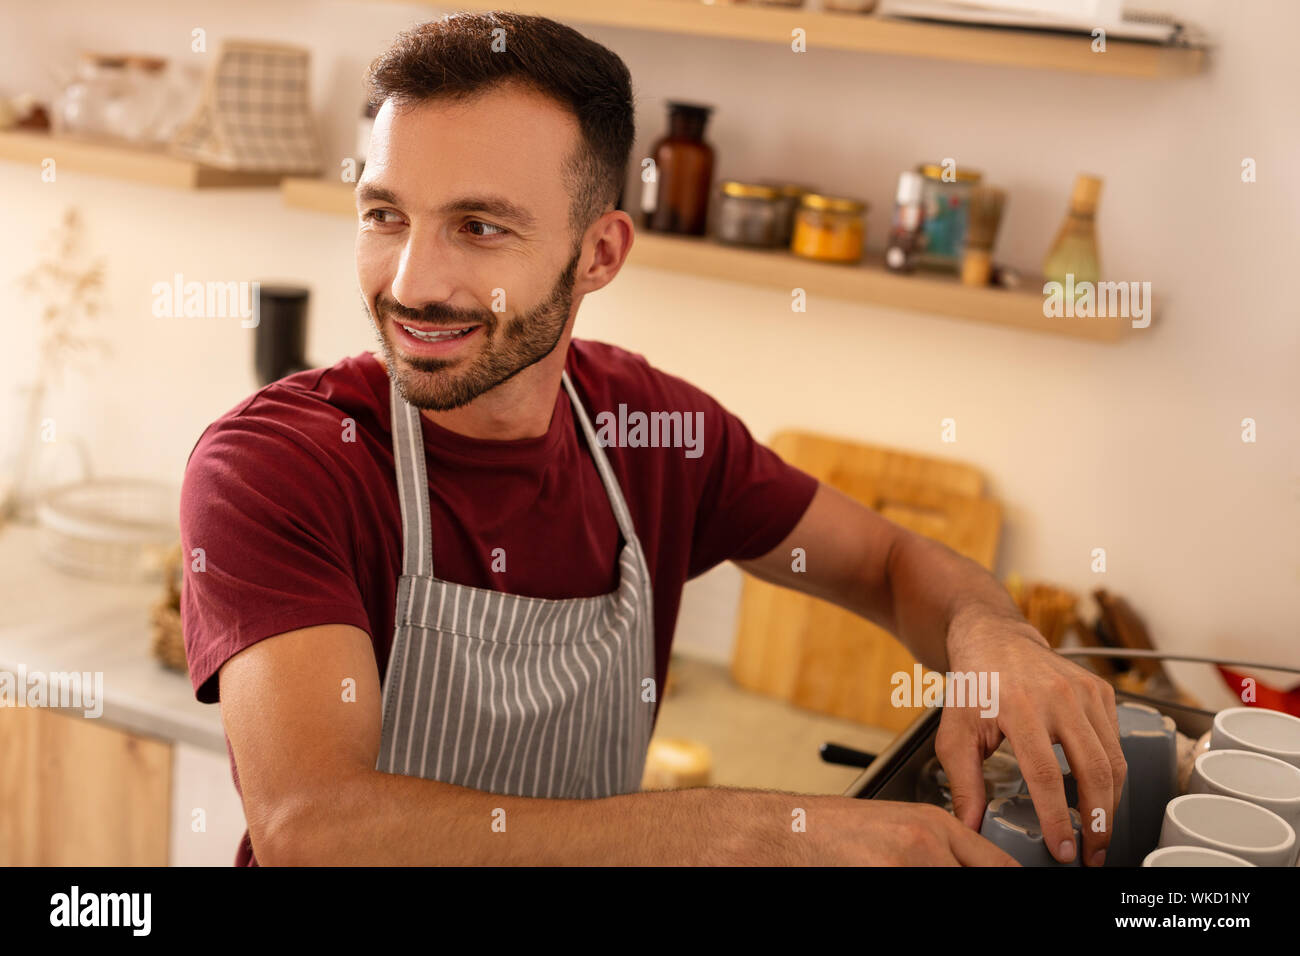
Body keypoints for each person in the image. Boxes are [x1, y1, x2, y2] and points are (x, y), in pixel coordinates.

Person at [181, 12, 1125, 866]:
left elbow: (886, 563)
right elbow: (317, 828)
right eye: (385, 216)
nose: (415, 280)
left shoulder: (652, 433)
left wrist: (993, 640)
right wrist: (759, 832)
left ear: (600, 254)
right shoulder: (277, 468)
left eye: (479, 226)